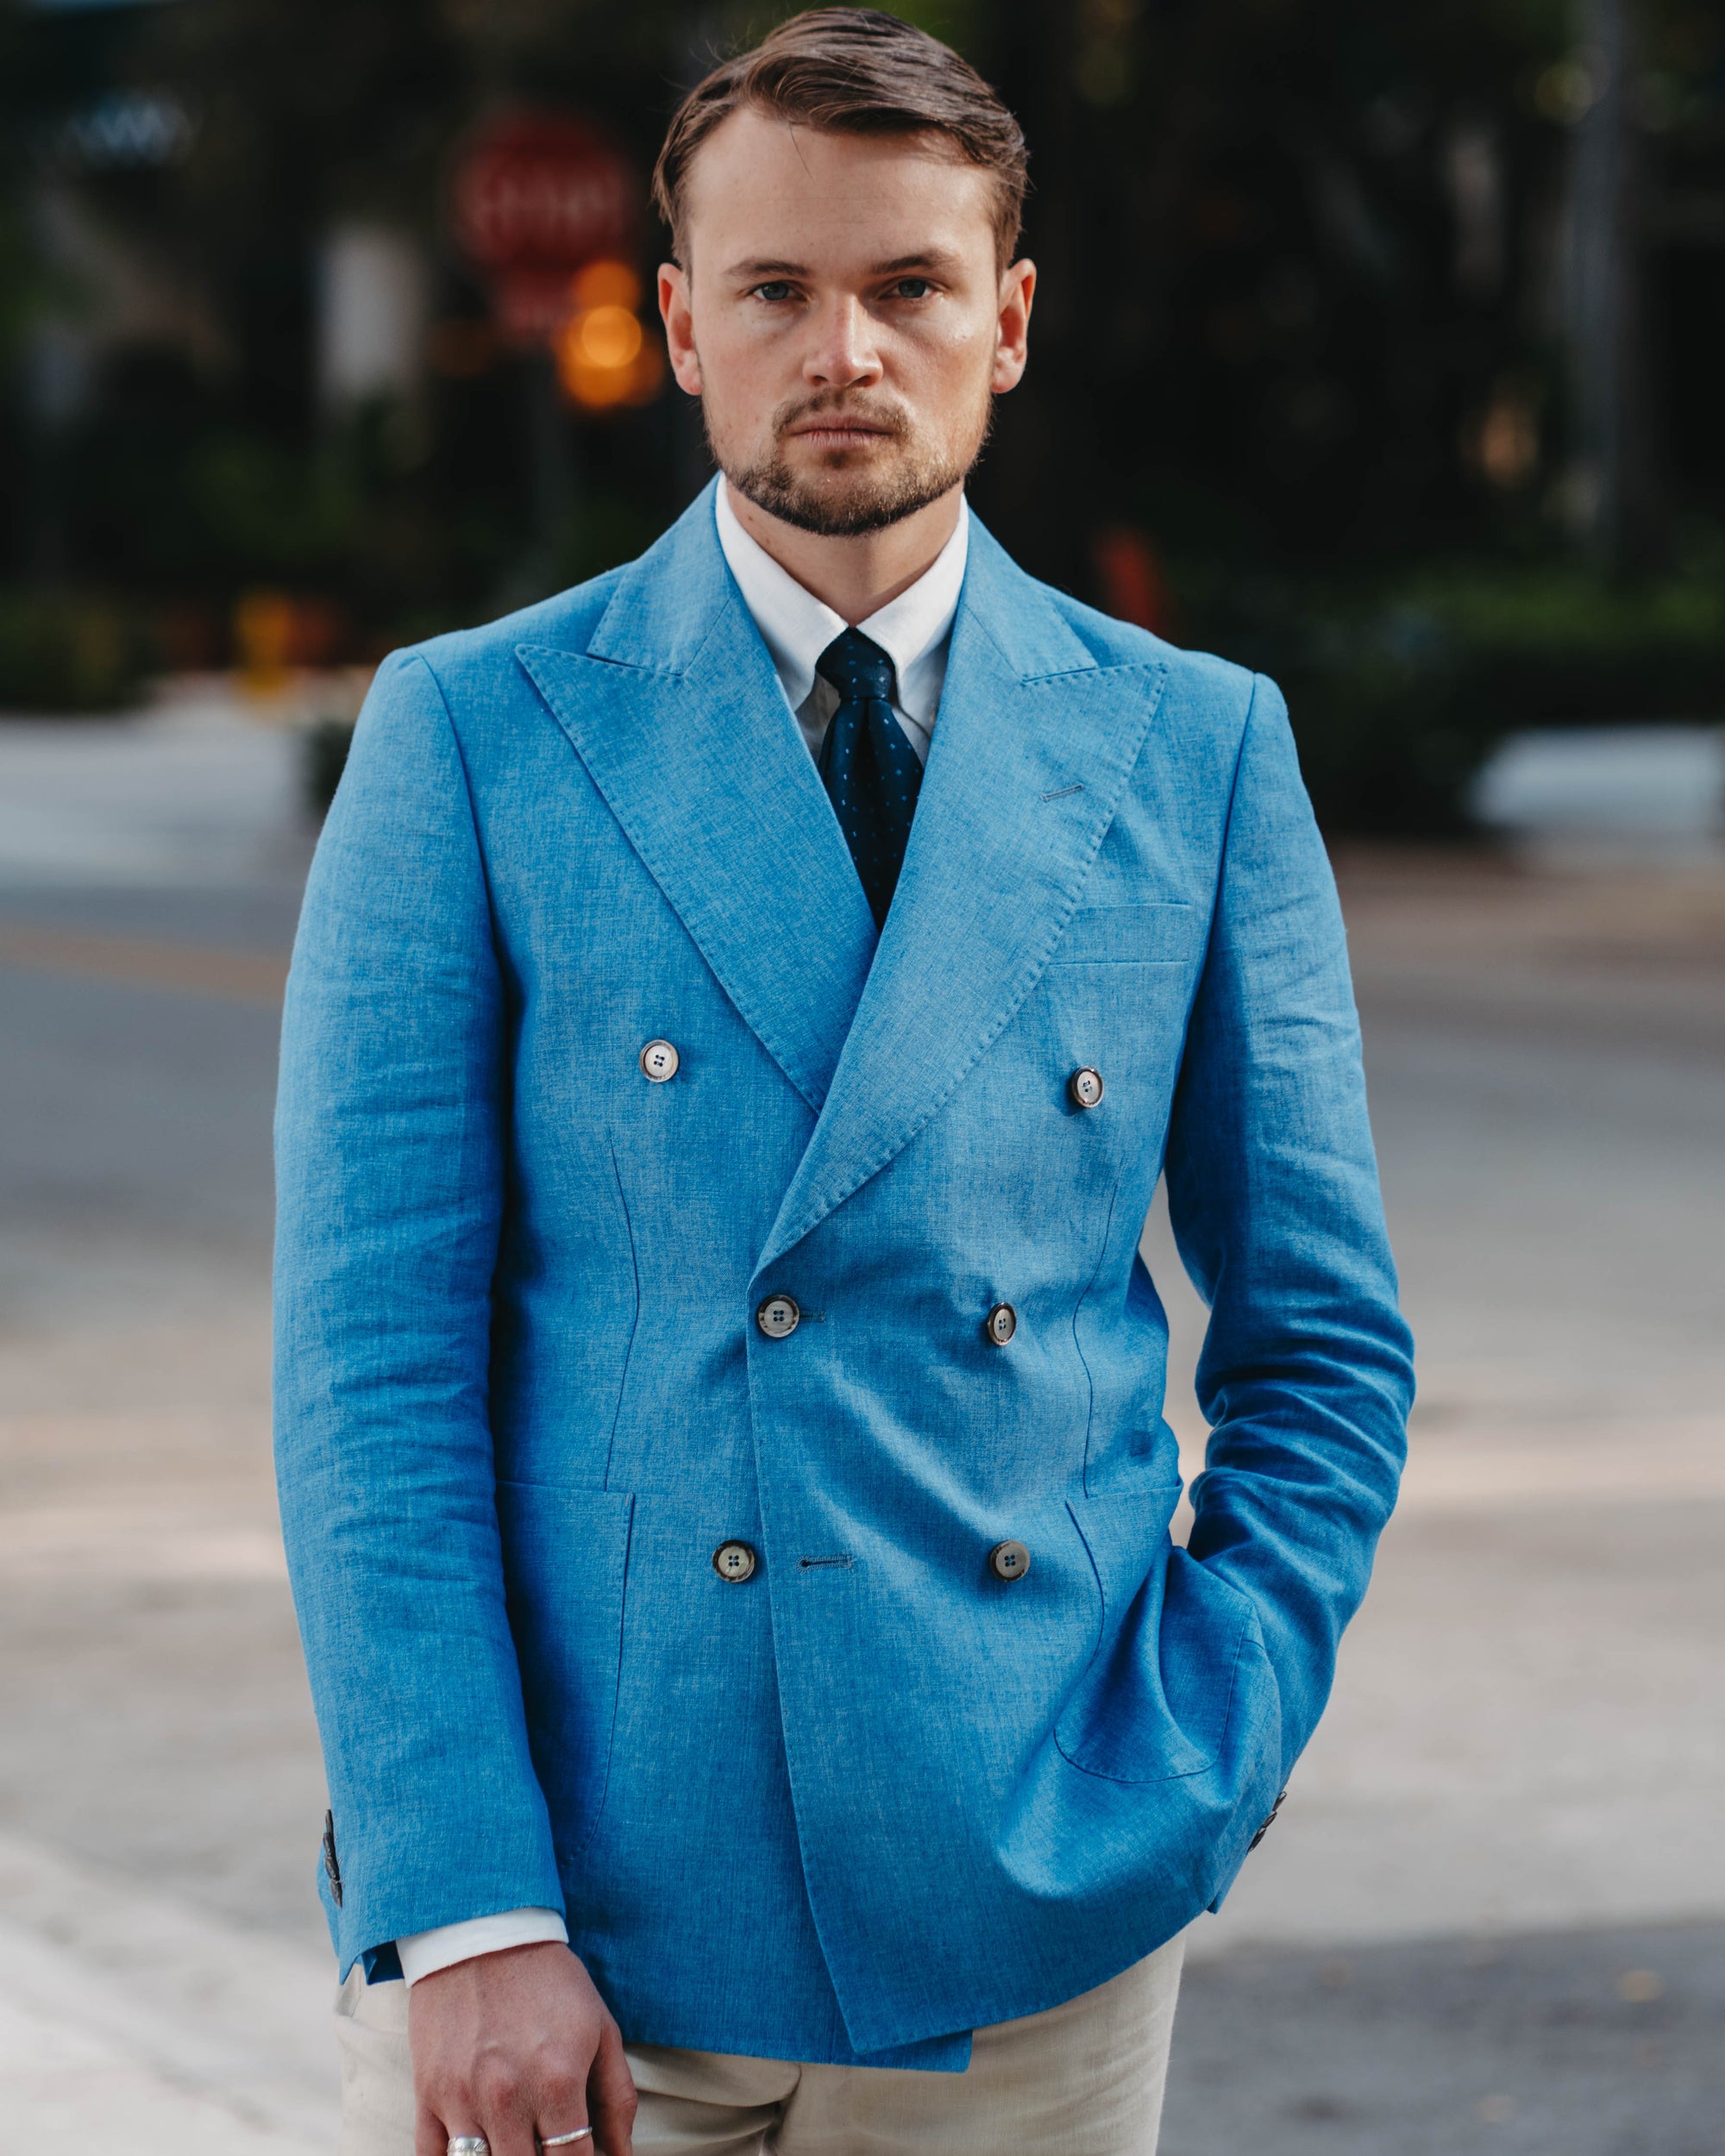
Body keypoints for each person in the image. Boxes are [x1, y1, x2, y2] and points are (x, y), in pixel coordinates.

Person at [273, 10, 1414, 2154]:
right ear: (679, 325)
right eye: (777, 288)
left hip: (1034, 1906)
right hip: (583, 1926)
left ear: (1009, 320)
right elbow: (371, 1374)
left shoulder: (1194, 746)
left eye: (906, 284)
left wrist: (1204, 1745)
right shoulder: (476, 732)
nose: (844, 349)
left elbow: (1323, 1342)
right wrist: (469, 1906)